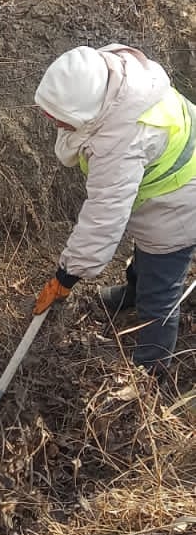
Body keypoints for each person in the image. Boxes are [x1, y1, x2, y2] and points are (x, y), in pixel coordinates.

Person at [32, 43, 196, 376]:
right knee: (145, 256)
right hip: (171, 188)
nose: (52, 121)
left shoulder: (122, 141)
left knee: (160, 291)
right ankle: (131, 294)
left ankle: (152, 372)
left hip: (182, 206)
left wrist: (67, 274)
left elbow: (105, 216)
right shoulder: (112, 75)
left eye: (58, 118)